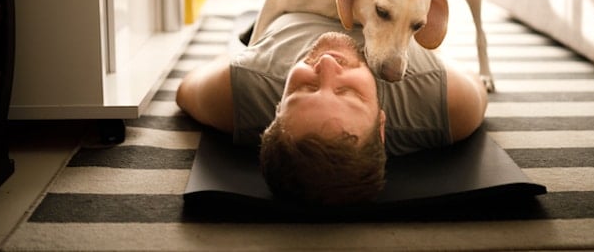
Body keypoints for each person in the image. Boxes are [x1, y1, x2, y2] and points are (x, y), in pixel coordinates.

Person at [176, 12, 487, 205]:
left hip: (294, 1)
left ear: (274, 109)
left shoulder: (242, 88)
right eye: (347, 91)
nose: (325, 64)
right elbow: (474, 81)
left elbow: (185, 89)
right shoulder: (444, 100)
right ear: (382, 127)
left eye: (305, 88)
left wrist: (247, 53)